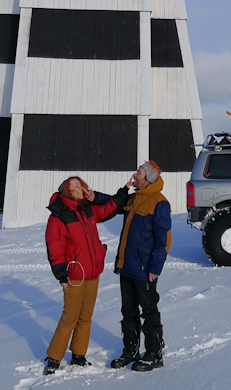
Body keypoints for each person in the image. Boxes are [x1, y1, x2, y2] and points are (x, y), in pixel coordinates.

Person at [43, 176, 127, 375]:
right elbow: (55, 246)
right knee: (69, 317)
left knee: (86, 317)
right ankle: (54, 358)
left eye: (81, 185)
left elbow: (108, 209)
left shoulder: (87, 209)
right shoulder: (59, 215)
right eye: (75, 186)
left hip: (93, 271)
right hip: (74, 274)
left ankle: (78, 355)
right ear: (66, 192)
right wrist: (61, 274)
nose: (80, 188)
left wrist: (121, 192)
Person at [109, 160, 171, 372]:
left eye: (139, 172)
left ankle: (154, 353)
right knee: (128, 311)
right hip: (126, 266)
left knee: (149, 311)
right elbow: (111, 204)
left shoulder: (159, 202)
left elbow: (163, 239)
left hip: (145, 269)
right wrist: (123, 188)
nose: (135, 174)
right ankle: (131, 350)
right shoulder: (133, 198)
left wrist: (155, 268)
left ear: (149, 177)